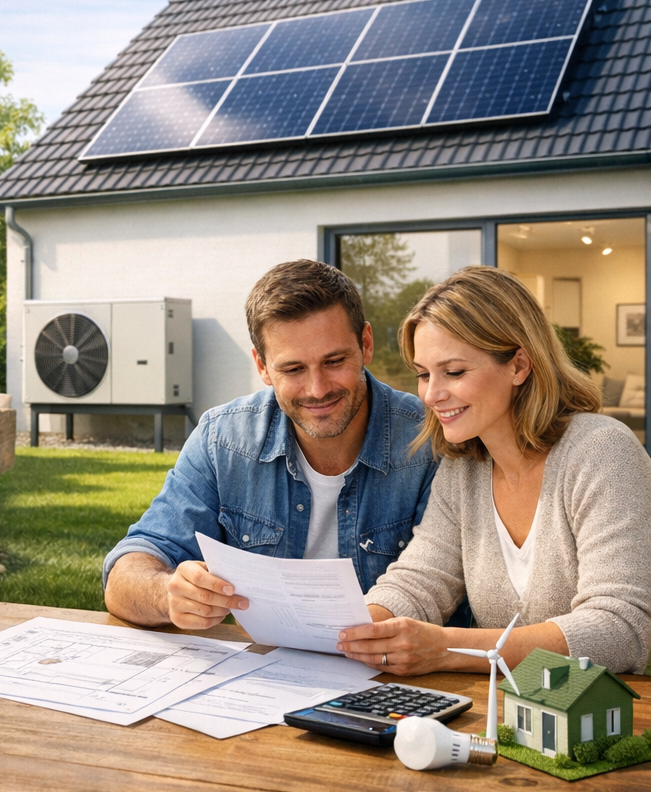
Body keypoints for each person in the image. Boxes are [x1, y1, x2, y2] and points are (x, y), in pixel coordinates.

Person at [337, 266, 651, 675]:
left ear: (519, 365)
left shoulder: (602, 452)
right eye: (423, 374)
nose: (432, 394)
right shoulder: (462, 469)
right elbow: (418, 581)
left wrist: (448, 648)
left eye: (453, 372)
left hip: (611, 722)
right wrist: (348, 629)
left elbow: (623, 628)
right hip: (509, 718)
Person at [103, 259, 441, 630]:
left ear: (366, 344)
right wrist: (168, 594)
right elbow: (128, 571)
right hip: (268, 674)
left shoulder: (429, 440)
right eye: (293, 369)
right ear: (262, 366)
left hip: (396, 677)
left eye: (334, 361)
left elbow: (441, 588)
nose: (318, 388)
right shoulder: (224, 440)